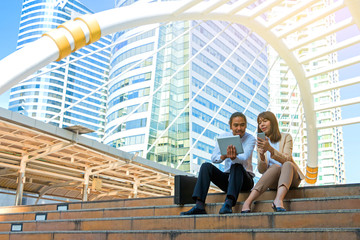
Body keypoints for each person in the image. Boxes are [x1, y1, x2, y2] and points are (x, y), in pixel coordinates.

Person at [180, 112, 256, 215]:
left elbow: (244, 158)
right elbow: (214, 158)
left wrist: (234, 157)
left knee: (236, 165)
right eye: (236, 125)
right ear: (230, 126)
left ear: (246, 125)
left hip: (245, 180)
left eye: (242, 125)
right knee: (205, 166)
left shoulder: (250, 139)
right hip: (228, 179)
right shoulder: (223, 136)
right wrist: (224, 156)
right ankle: (199, 205)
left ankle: (228, 204)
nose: (239, 128)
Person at [241, 111, 304, 213]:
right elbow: (262, 171)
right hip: (273, 180)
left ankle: (278, 200)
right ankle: (247, 202)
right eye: (259, 122)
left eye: (265, 121)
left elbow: (287, 159)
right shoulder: (261, 142)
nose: (261, 124)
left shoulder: (286, 137)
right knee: (275, 167)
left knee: (287, 164)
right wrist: (261, 155)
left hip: (291, 177)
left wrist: (270, 149)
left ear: (273, 122)